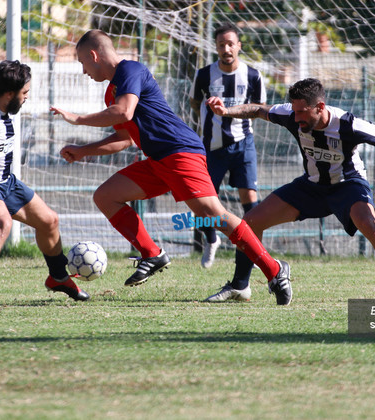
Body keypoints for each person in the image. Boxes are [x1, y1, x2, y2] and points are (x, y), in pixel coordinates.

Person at [50, 29, 293, 305]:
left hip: (180, 152)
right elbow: (125, 138)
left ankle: (275, 271)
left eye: (82, 62)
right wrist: (83, 151)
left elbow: (124, 112)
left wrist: (77, 119)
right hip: (158, 161)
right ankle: (151, 253)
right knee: (105, 196)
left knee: (215, 215)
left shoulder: (130, 69)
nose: (83, 71)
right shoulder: (112, 92)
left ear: (93, 55)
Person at [204, 77, 375, 302]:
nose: (296, 118)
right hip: (311, 187)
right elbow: (259, 109)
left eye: (302, 112)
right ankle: (240, 287)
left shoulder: (348, 124)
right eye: (294, 111)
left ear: (320, 107)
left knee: (369, 225)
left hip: (348, 186)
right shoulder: (291, 115)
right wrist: (225, 111)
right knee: (249, 222)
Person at [0, 60, 89, 311]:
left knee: (49, 220)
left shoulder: (3, 110)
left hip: (5, 182)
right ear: (9, 94)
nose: (27, 97)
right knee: (1, 223)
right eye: (24, 92)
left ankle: (58, 277)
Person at [188, 23, 265, 269]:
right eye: (221, 44)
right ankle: (211, 240)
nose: (226, 49)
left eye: (230, 43)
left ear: (239, 46)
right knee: (201, 201)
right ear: (217, 47)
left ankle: (252, 250)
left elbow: (260, 110)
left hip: (243, 144)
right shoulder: (203, 74)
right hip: (211, 148)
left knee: (249, 198)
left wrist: (230, 111)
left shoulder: (253, 75)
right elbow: (194, 103)